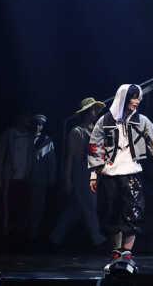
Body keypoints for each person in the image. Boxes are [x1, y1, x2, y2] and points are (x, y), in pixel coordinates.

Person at [87, 84, 153, 275]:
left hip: (131, 174)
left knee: (132, 213)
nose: (137, 101)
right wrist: (94, 173)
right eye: (133, 97)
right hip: (109, 174)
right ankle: (115, 256)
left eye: (138, 97)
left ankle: (127, 256)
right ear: (124, 98)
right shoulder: (105, 120)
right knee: (111, 215)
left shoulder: (141, 120)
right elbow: (94, 145)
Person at [50, 98, 107, 248]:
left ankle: (55, 237)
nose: (96, 113)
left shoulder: (95, 131)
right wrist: (68, 178)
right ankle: (97, 238)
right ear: (86, 113)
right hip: (81, 171)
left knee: (75, 209)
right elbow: (70, 157)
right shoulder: (77, 132)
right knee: (90, 204)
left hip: (92, 170)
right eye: (93, 110)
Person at [0, 112, 35, 242]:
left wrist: (29, 174)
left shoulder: (29, 136)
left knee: (22, 207)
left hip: (23, 178)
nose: (28, 119)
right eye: (26, 116)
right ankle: (3, 237)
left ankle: (16, 234)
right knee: (6, 208)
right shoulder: (9, 135)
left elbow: (31, 157)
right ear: (19, 117)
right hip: (9, 178)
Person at [26, 114, 57, 239]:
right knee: (25, 205)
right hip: (25, 178)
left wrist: (51, 178)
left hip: (40, 179)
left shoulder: (47, 141)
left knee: (38, 207)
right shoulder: (26, 137)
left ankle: (34, 232)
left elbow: (51, 162)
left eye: (40, 125)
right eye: (36, 124)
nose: (38, 127)